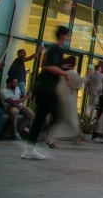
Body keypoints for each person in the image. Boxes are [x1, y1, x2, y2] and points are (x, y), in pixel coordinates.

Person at [22, 26, 72, 160]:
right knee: (55, 115)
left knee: (41, 117)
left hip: (44, 86)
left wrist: (62, 69)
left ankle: (30, 148)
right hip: (46, 87)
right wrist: (65, 74)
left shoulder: (53, 49)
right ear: (62, 36)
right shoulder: (56, 49)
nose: (68, 38)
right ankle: (38, 139)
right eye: (67, 36)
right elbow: (49, 67)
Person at [46, 56, 86, 147]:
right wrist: (84, 79)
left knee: (57, 119)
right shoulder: (72, 73)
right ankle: (79, 136)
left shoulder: (60, 72)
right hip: (68, 99)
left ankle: (51, 139)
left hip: (58, 97)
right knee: (71, 120)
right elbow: (78, 85)